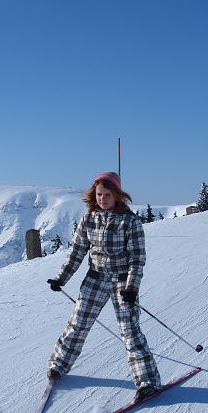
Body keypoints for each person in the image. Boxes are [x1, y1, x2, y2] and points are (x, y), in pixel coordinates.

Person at [46, 171, 162, 400]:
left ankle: (148, 381)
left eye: (107, 195)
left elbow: (137, 259)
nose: (103, 199)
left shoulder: (130, 221)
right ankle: (58, 364)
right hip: (96, 278)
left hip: (122, 281)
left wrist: (131, 287)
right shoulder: (89, 219)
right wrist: (61, 278)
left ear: (117, 195)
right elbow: (76, 252)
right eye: (99, 194)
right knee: (78, 323)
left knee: (129, 330)